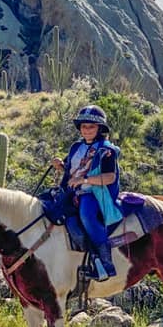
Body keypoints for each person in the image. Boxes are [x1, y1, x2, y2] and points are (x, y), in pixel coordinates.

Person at [52, 104, 122, 279]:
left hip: (94, 193)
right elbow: (72, 170)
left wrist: (83, 181)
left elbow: (109, 177)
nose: (87, 129)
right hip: (71, 191)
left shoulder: (106, 150)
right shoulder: (76, 147)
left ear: (99, 128)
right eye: (84, 126)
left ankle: (106, 263)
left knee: (86, 215)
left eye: (91, 126)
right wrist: (60, 166)